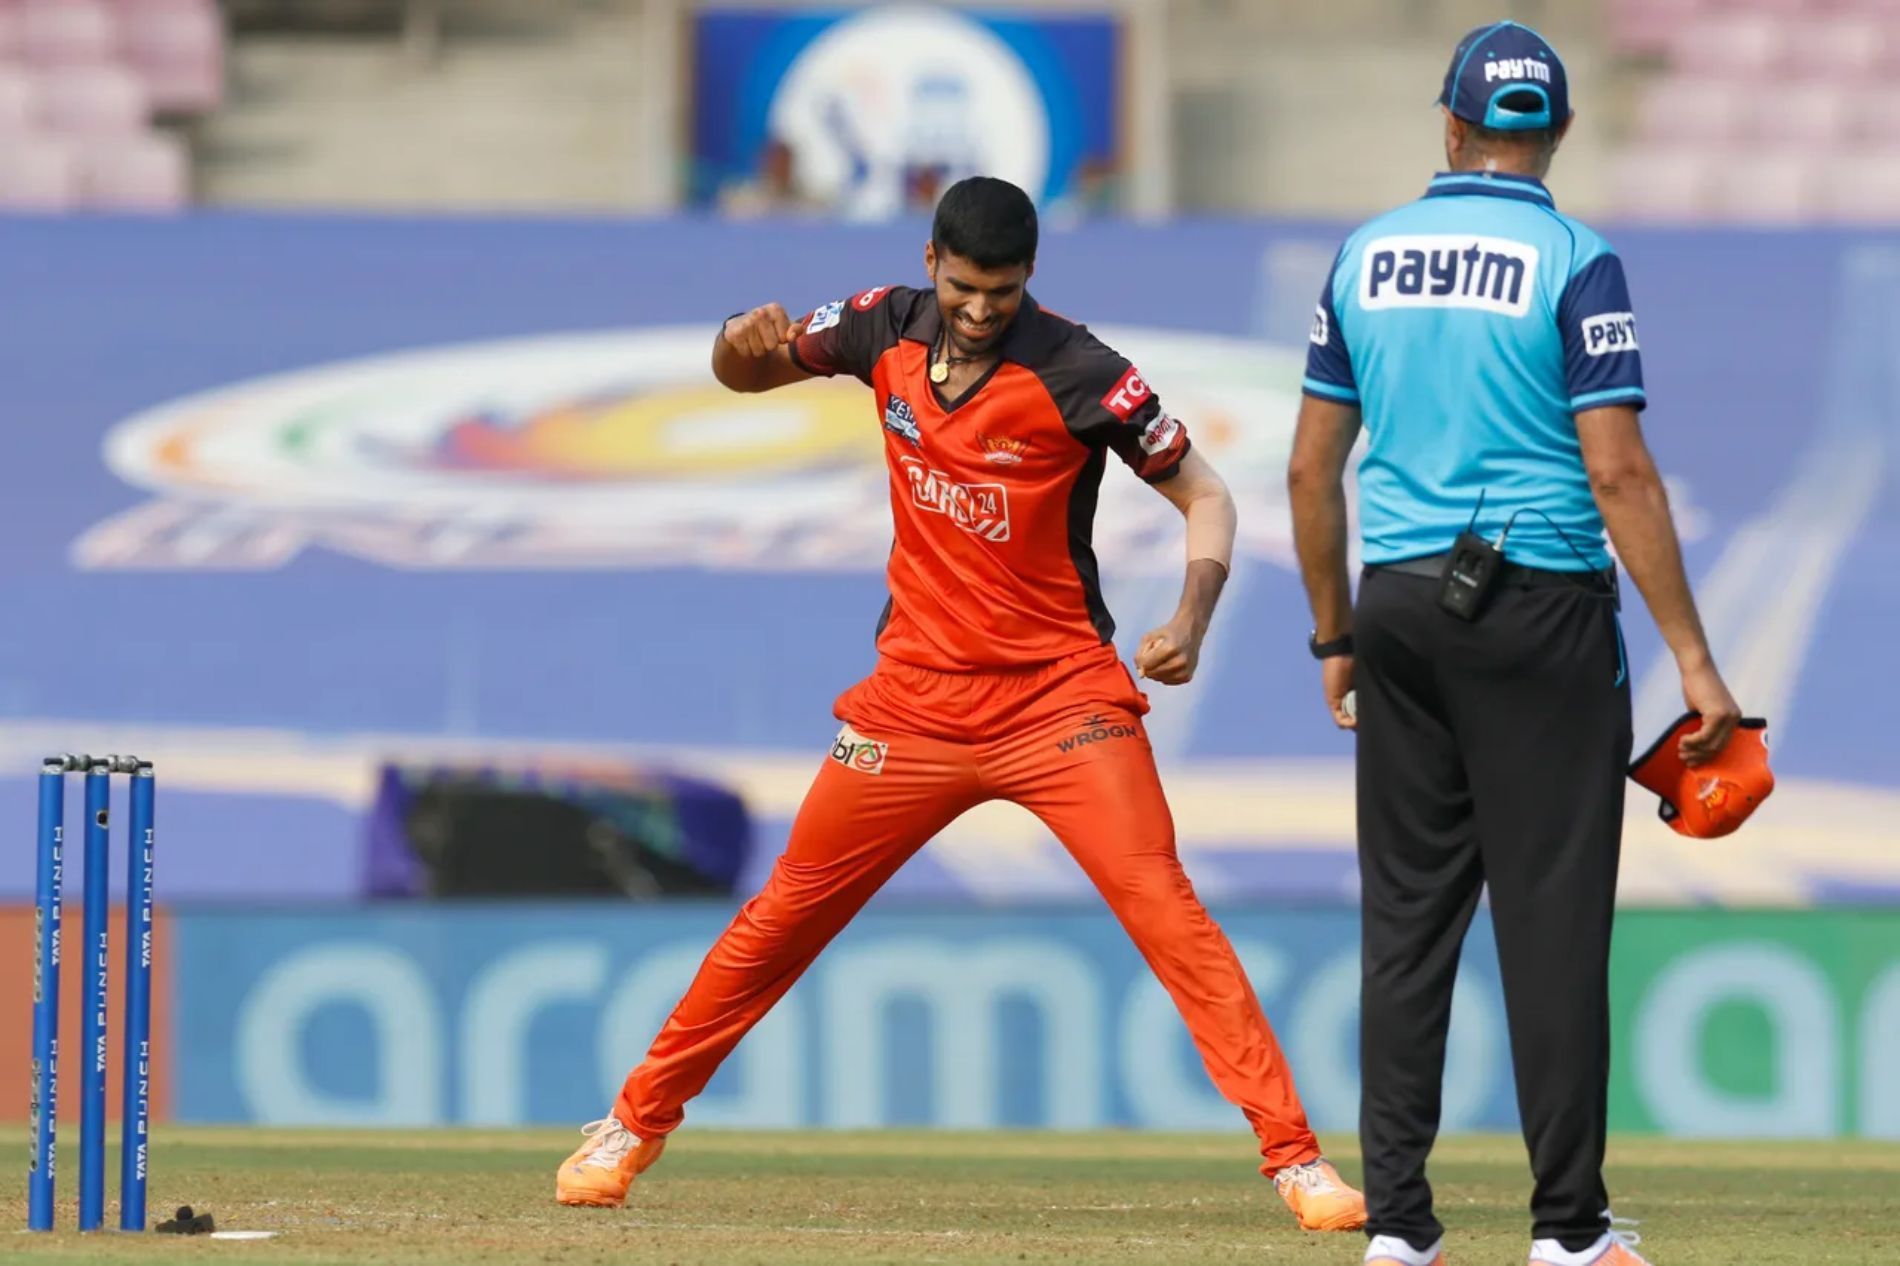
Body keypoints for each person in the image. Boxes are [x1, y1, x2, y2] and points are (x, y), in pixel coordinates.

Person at [556, 175, 1366, 1233]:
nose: (983, 309)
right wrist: (734, 339)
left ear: (1031, 276)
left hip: (1060, 702)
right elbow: (741, 376)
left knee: (1168, 914)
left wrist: (1193, 616)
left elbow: (1205, 492)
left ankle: (1296, 1163)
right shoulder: (876, 325)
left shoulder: (1085, 373)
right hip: (911, 708)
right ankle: (628, 1126)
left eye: (1005, 289)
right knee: (783, 918)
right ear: (931, 260)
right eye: (966, 286)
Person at [1285, 22, 1741, 1266]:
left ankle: (1401, 1231)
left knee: (1408, 922)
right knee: (1548, 923)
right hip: (1538, 609)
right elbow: (1620, 472)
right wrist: (1694, 660)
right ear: (1558, 135)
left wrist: (1335, 630)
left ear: (1449, 125)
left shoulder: (1365, 254)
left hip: (1395, 605)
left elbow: (1310, 467)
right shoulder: (1574, 259)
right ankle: (1568, 1232)